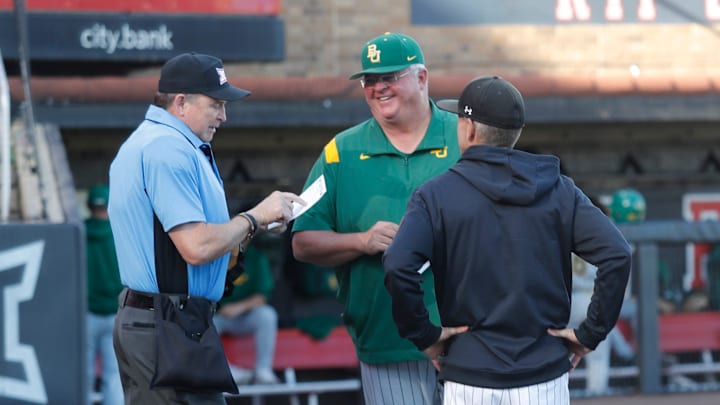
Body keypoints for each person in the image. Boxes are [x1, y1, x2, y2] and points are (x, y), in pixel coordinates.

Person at [383, 76, 632, 405]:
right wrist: (590, 334)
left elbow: (399, 265)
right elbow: (617, 254)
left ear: (469, 129)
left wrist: (425, 336)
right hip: (543, 375)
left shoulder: (435, 194)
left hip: (469, 376)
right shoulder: (559, 190)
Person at [108, 52, 302, 404]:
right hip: (165, 323)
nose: (223, 116)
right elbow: (195, 247)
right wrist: (253, 217)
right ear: (181, 103)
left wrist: (251, 229)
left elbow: (195, 246)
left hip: (164, 321)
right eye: (215, 104)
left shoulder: (156, 141)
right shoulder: (166, 148)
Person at [292, 32, 461, 405]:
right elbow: (302, 239)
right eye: (370, 80)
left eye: (390, 77)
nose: (378, 87)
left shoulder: (465, 136)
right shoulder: (340, 151)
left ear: (421, 78)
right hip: (388, 344)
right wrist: (361, 241)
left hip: (469, 339)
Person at [214, 244, 280, 385]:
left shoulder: (256, 257)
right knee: (204, 322)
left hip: (246, 316)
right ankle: (226, 371)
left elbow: (261, 296)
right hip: (217, 316)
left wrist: (239, 307)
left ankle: (263, 370)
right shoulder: (214, 254)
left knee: (267, 315)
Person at [85, 184, 124, 405]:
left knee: (83, 375)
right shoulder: (120, 232)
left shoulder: (77, 231)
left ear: (89, 206)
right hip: (115, 312)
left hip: (85, 313)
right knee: (114, 377)